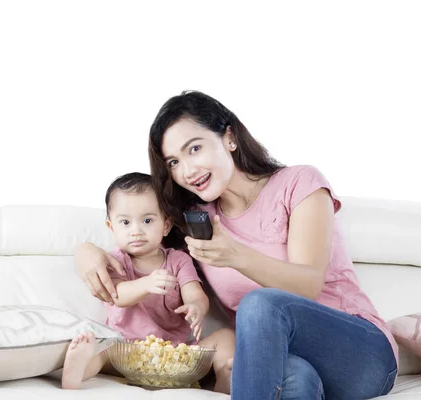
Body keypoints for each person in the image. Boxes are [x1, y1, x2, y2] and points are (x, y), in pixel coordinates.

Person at [75, 91, 399, 399]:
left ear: (229, 137)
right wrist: (86, 252)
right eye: (173, 162)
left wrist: (236, 256)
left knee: (259, 305)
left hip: (359, 353)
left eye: (194, 149)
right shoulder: (197, 220)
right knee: (297, 380)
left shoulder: (300, 184)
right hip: (281, 362)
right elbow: (143, 240)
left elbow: (308, 285)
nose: (187, 170)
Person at [62, 172, 235, 393]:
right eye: (125, 222)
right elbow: (117, 296)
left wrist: (196, 306)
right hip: (125, 351)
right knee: (101, 348)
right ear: (111, 226)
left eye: (147, 220)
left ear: (165, 225)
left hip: (174, 354)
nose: (136, 231)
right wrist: (145, 284)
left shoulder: (178, 260)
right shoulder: (116, 261)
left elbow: (194, 292)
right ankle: (77, 371)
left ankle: (225, 376)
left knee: (226, 337)